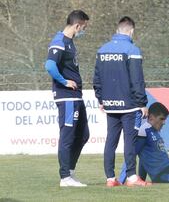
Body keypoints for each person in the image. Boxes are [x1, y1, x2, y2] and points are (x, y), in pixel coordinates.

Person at [93, 16, 149, 187]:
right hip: (129, 105)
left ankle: (110, 178)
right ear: (131, 31)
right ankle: (132, 177)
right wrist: (142, 103)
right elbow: (137, 80)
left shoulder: (102, 50)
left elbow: (97, 78)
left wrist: (101, 99)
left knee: (111, 140)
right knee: (129, 140)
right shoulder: (132, 50)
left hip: (110, 104)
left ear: (117, 30)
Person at [44, 10, 90, 187]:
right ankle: (65, 177)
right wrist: (64, 81)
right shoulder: (59, 42)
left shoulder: (70, 42)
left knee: (83, 134)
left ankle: (69, 172)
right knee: (67, 136)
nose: (83, 31)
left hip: (76, 96)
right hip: (67, 97)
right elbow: (49, 66)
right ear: (77, 25)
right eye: (83, 27)